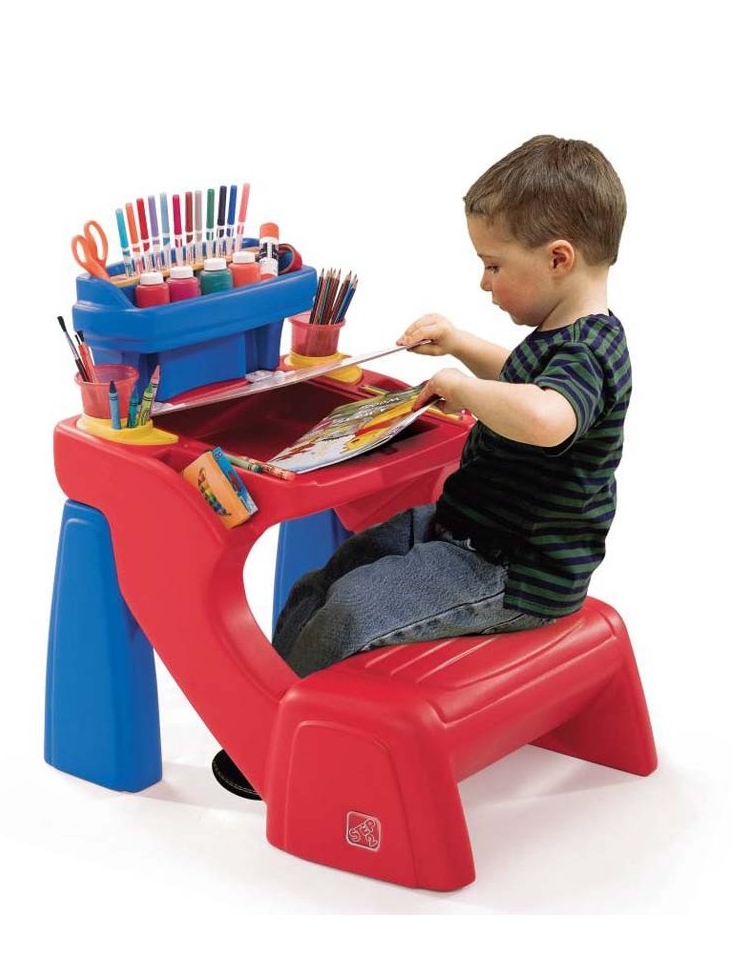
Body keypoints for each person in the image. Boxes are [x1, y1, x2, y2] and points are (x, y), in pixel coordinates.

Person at [212, 134, 634, 800]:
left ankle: (285, 754)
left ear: (559, 258)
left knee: (350, 613)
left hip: (515, 572)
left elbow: (548, 417)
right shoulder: (563, 339)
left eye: (493, 265)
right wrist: (461, 346)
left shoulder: (593, 351)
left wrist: (462, 389)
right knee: (318, 584)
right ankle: (269, 720)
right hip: (461, 528)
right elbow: (525, 378)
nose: (484, 283)